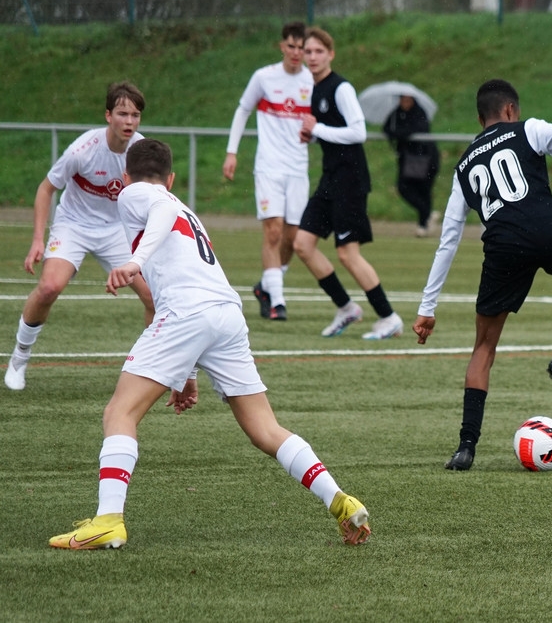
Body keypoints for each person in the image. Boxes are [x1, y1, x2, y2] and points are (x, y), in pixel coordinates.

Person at [48, 139, 370, 550]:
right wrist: (187, 374)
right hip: (225, 315)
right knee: (265, 429)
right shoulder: (186, 209)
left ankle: (109, 520)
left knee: (119, 412)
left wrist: (134, 262)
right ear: (172, 178)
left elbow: (160, 213)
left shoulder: (137, 194)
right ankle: (339, 500)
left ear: (126, 177)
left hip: (187, 313)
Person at [412, 79, 552, 471]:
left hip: (503, 246)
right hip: (547, 229)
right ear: (511, 109)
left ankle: (466, 448)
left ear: (481, 118)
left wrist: (427, 308)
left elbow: (449, 239)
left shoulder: (464, 165)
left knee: (483, 347)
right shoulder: (527, 129)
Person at [5, 82, 157, 391]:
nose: (129, 121)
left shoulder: (141, 152)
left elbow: (154, 197)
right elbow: (46, 189)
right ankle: (20, 357)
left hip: (117, 230)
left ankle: (154, 365)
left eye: (135, 115)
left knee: (155, 296)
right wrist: (38, 240)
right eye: (122, 114)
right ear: (108, 115)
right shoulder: (82, 150)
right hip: (73, 225)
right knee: (49, 287)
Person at [295, 26, 403, 340]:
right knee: (303, 244)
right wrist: (312, 136)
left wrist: (318, 129)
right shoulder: (313, 89)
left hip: (350, 180)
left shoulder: (341, 88)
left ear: (331, 54)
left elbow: (358, 132)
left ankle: (389, 317)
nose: (312, 57)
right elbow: (332, 131)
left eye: (319, 51)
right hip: (330, 178)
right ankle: (346, 308)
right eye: (308, 51)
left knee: (347, 253)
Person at [224, 21, 313, 321]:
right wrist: (232, 152)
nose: (296, 53)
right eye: (291, 46)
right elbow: (242, 110)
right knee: (273, 230)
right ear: (281, 46)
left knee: (293, 237)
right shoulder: (264, 77)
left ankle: (266, 286)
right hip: (269, 167)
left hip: (298, 169)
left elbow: (317, 124)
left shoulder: (311, 81)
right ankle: (277, 301)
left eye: (301, 48)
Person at [384, 94, 441, 237]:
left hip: (425, 157)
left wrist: (399, 133)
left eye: (408, 100)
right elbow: (387, 128)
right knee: (404, 188)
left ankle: (423, 225)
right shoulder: (396, 114)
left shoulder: (419, 113)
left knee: (424, 190)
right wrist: (398, 133)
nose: (405, 103)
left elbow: (418, 129)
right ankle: (427, 215)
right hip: (408, 158)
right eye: (402, 99)